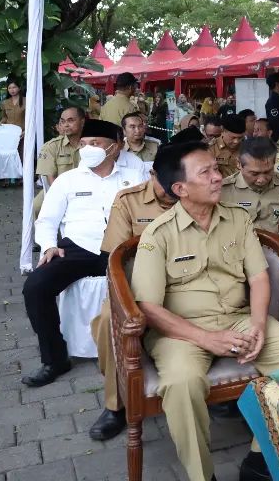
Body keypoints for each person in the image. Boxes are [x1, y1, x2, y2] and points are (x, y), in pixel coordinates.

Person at [131, 142, 279, 481]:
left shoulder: (238, 219)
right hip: (181, 332)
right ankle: (202, 475)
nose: (218, 177)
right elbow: (149, 308)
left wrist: (258, 324)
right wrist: (206, 339)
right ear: (180, 188)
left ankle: (261, 455)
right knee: (182, 383)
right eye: (206, 173)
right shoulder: (158, 235)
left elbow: (258, 277)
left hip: (238, 318)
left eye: (216, 169)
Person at [22, 120, 147, 388]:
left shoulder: (134, 177)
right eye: (85, 144)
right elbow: (46, 220)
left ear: (114, 148)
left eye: (96, 143)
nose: (88, 149)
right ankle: (55, 359)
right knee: (35, 287)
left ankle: (145, 351)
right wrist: (49, 246)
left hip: (123, 249)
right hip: (78, 249)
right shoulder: (68, 180)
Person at [88, 167, 176, 441]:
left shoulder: (196, 194)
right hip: (135, 287)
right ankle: (116, 404)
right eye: (166, 184)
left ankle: (217, 391)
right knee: (109, 319)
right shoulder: (129, 201)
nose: (173, 192)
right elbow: (111, 258)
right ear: (153, 173)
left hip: (183, 284)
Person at [221, 138, 279, 253]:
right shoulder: (223, 192)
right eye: (254, 173)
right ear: (239, 164)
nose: (261, 179)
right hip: (238, 255)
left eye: (267, 172)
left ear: (275, 162)